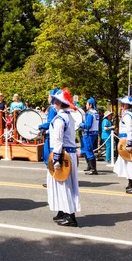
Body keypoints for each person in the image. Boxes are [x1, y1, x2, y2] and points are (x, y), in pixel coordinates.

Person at [47, 88, 80, 227]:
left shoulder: (60, 119)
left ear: (59, 103)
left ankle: (69, 215)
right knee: (62, 184)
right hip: (68, 153)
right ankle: (63, 210)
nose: (54, 102)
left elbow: (58, 141)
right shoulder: (69, 117)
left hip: (62, 154)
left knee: (63, 184)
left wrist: (56, 159)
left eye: (55, 100)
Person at [114, 96, 132, 194]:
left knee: (131, 164)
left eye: (123, 104)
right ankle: (131, 183)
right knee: (130, 164)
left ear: (128, 105)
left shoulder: (127, 115)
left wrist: (129, 143)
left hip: (128, 140)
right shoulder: (131, 115)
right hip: (128, 140)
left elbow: (129, 129)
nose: (121, 105)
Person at [39, 89, 59, 167]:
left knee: (48, 157)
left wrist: (40, 126)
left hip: (51, 135)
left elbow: (50, 123)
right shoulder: (59, 108)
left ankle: (52, 177)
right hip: (57, 135)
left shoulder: (52, 109)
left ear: (52, 97)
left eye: (48, 96)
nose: (48, 98)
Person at [80, 98, 100, 175]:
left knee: (88, 150)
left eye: (87, 104)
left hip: (89, 133)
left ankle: (93, 168)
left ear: (90, 105)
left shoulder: (90, 113)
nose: (86, 105)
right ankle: (89, 166)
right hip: (94, 133)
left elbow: (88, 125)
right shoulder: (96, 113)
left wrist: (81, 124)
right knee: (85, 150)